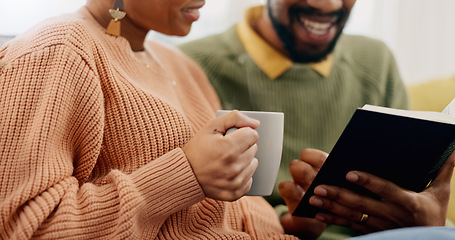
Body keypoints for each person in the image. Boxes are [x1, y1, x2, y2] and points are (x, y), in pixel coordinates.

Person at [0, 0, 302, 239]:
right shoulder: (57, 51)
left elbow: (216, 215)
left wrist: (291, 224)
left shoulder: (181, 64)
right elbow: (25, 229)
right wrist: (185, 174)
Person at [178, 0, 454, 238]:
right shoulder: (189, 67)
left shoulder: (376, 62)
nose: (329, 5)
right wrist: (290, 223)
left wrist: (431, 221)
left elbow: (408, 199)